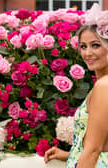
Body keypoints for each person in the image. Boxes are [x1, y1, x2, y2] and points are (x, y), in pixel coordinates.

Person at [44, 3, 108, 168]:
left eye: (95, 45)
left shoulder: (104, 86)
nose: (87, 53)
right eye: (83, 46)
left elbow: (93, 151)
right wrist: (67, 155)